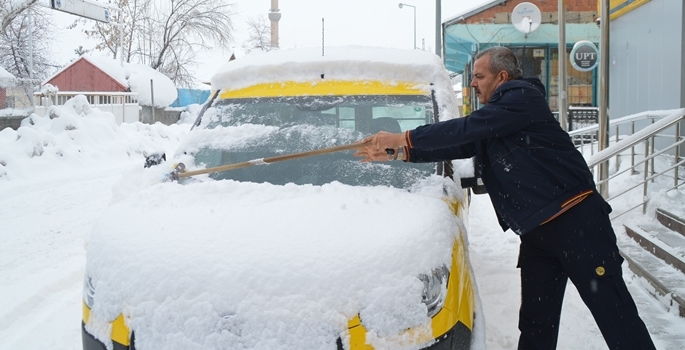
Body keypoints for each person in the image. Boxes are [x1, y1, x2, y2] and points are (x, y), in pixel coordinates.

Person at [354, 46, 656, 350]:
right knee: (536, 324)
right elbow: (460, 143)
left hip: (577, 226)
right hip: (538, 236)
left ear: (502, 76)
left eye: (479, 76)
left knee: (615, 315)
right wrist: (401, 151)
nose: (473, 83)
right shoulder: (498, 118)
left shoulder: (522, 98)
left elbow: (466, 128)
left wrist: (405, 136)